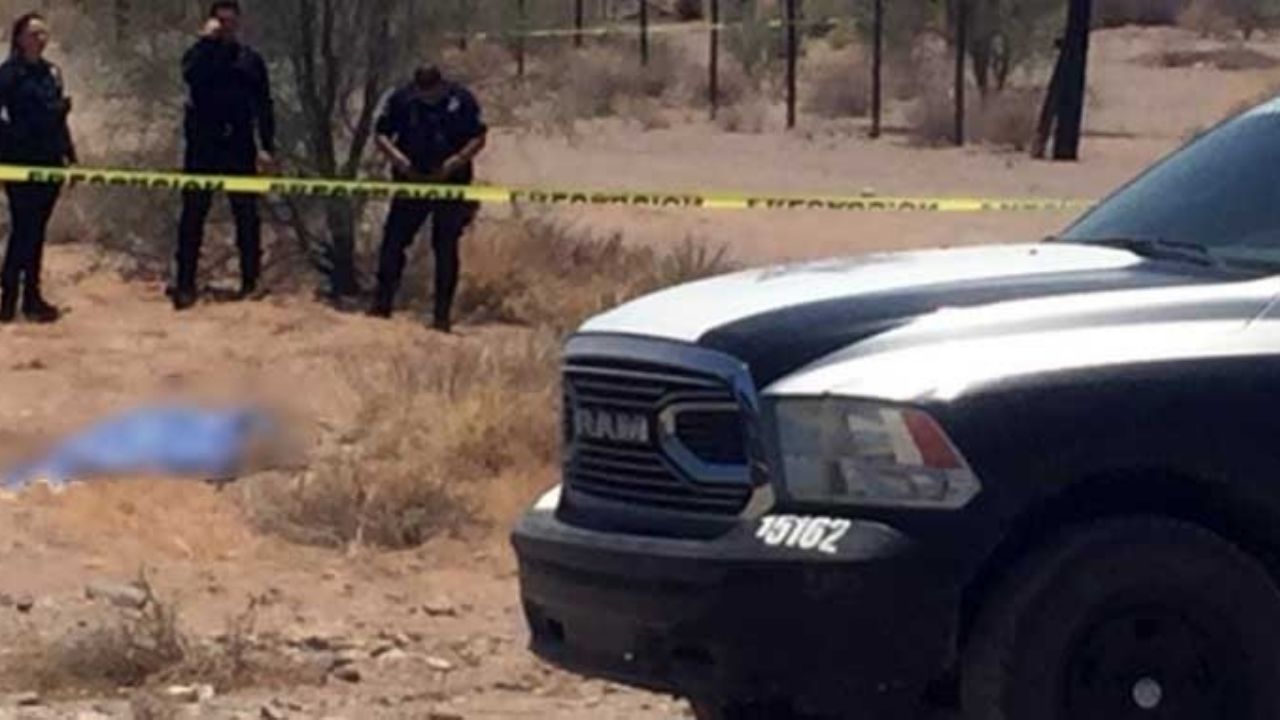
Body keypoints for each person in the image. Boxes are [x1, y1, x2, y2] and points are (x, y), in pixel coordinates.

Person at [171, 0, 275, 311]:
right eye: (221, 22)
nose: (226, 27)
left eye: (231, 22)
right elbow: (189, 75)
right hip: (203, 145)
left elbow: (264, 105)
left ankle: (250, 281)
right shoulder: (199, 55)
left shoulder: (250, 60)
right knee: (193, 214)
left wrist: (267, 147)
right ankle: (185, 284)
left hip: (239, 146)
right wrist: (206, 42)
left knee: (247, 216)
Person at [369, 65, 487, 332]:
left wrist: (455, 162)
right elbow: (381, 133)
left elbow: (479, 136)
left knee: (445, 247)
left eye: (432, 93)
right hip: (410, 180)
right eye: (423, 93)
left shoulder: (461, 99)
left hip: (451, 182)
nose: (427, 98)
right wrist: (398, 160)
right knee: (393, 242)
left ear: (441, 86)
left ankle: (441, 317)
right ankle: (381, 306)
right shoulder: (401, 98)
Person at [0, 12, 76, 324]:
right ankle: (8, 298)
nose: (40, 39)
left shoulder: (52, 72)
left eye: (44, 33)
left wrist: (70, 155)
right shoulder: (8, 74)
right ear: (19, 38)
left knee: (37, 230)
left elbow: (59, 120)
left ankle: (33, 297)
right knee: (23, 227)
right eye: (34, 33)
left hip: (50, 159)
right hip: (19, 160)